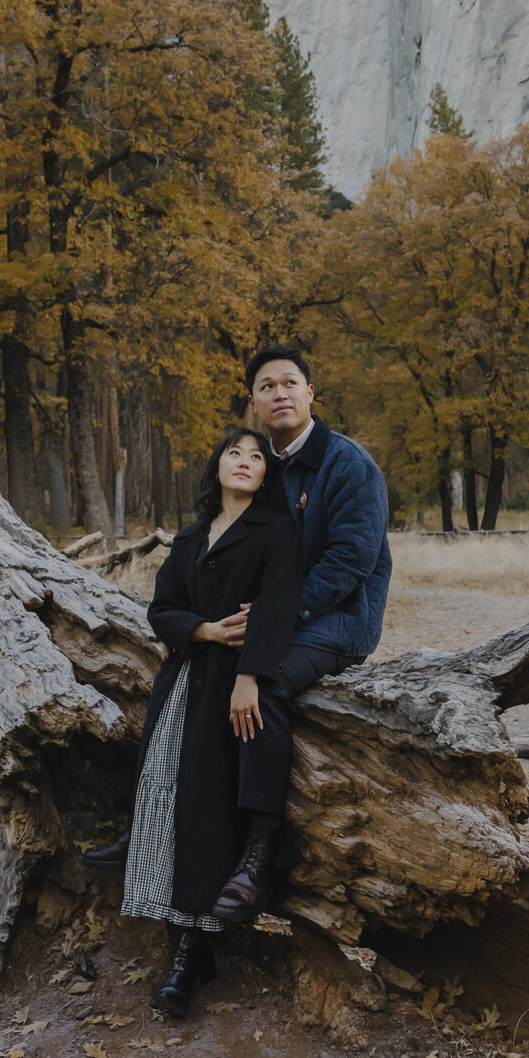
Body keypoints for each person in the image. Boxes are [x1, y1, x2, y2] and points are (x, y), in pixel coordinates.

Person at [84, 427, 301, 1018]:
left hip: (231, 688)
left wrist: (250, 676)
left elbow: (277, 609)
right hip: (182, 685)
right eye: (235, 451)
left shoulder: (275, 531)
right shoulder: (188, 537)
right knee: (166, 804)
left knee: (208, 817)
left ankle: (192, 955)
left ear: (265, 476)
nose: (246, 460)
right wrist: (202, 629)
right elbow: (162, 610)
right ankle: (182, 947)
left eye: (258, 457)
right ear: (217, 466)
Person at [210, 344, 392, 922]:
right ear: (254, 403)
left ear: (311, 394)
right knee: (205, 669)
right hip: (274, 613)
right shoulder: (258, 466)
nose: (280, 393)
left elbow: (349, 563)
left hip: (339, 617)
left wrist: (268, 622)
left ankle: (260, 854)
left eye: (291, 382)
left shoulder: (347, 464)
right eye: (268, 386)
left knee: (262, 683)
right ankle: (176, 827)